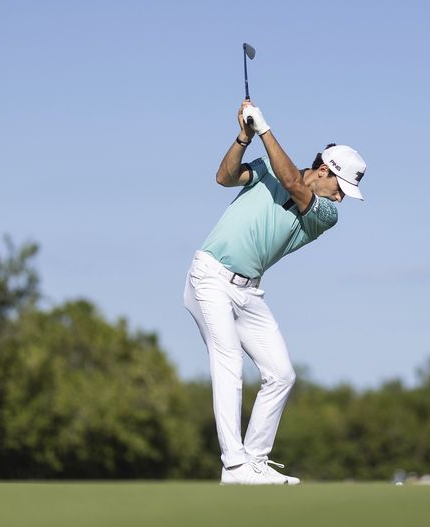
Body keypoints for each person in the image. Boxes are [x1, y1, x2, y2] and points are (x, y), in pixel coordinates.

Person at [183, 99, 367, 485]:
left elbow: (293, 184)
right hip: (210, 277)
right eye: (340, 189)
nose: (340, 199)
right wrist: (244, 137)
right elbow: (224, 177)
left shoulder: (326, 215)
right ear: (324, 170)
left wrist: (264, 127)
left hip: (248, 293)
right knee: (228, 361)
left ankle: (254, 459)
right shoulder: (267, 169)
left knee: (281, 374)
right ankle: (235, 465)